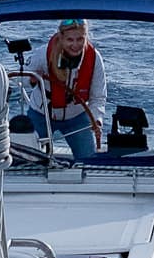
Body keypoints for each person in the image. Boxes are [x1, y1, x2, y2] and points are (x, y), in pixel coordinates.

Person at [21, 19, 107, 160]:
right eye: (70, 40)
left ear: (86, 37)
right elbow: (19, 77)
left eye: (80, 39)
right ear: (61, 38)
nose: (75, 45)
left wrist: (96, 119)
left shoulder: (95, 58)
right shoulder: (43, 54)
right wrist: (32, 78)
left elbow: (98, 96)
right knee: (26, 159)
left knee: (88, 161)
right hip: (41, 115)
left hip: (77, 118)